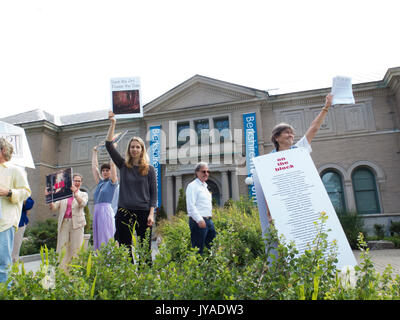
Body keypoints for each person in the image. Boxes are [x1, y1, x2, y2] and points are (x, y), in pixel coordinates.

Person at [261, 93, 333, 259]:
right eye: (287, 133)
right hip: (284, 207)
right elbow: (267, 188)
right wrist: (269, 214)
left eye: (292, 133)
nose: (291, 135)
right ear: (277, 137)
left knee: (311, 240)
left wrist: (326, 107)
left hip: (304, 204)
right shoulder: (270, 160)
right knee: (286, 246)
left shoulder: (300, 151)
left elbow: (313, 128)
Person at [105, 111, 157, 263]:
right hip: (124, 212)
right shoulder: (123, 165)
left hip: (143, 212)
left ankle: (145, 278)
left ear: (142, 150)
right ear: (129, 150)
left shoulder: (149, 169)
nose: (134, 149)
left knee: (144, 247)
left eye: (137, 147)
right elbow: (109, 145)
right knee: (124, 246)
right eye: (132, 147)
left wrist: (151, 214)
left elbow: (153, 194)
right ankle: (129, 278)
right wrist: (113, 123)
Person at [0, 138, 31, 284]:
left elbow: (26, 192)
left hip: (4, 223)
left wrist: (8, 192)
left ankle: (5, 293)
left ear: (3, 150)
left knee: (3, 264)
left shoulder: (14, 170)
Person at [49, 173, 88, 271]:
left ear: (81, 183)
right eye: (75, 180)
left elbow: (82, 203)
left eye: (79, 181)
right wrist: (50, 199)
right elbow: (54, 208)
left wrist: (76, 194)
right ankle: (62, 272)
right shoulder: (63, 194)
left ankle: (75, 272)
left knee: (76, 248)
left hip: (77, 224)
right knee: (62, 248)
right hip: (64, 223)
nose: (77, 182)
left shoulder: (83, 194)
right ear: (71, 182)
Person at [185, 162, 216, 254]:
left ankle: (211, 267)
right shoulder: (192, 186)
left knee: (214, 247)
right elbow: (190, 206)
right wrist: (199, 220)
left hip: (208, 221)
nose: (206, 174)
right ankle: (197, 267)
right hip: (198, 221)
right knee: (198, 250)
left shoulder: (205, 187)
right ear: (197, 172)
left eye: (208, 171)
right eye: (203, 171)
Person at [91, 146, 118, 250]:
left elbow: (113, 165)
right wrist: (94, 152)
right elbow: (94, 168)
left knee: (106, 234)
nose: (105, 172)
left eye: (107, 170)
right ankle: (100, 258)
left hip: (105, 211)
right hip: (97, 211)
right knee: (98, 235)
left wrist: (112, 150)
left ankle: (110, 258)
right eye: (104, 170)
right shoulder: (100, 183)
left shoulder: (112, 183)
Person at [12, 196, 35, 263]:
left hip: (19, 223)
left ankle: (13, 270)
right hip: (4, 223)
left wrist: (22, 198)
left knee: (14, 252)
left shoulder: (20, 187)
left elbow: (29, 204)